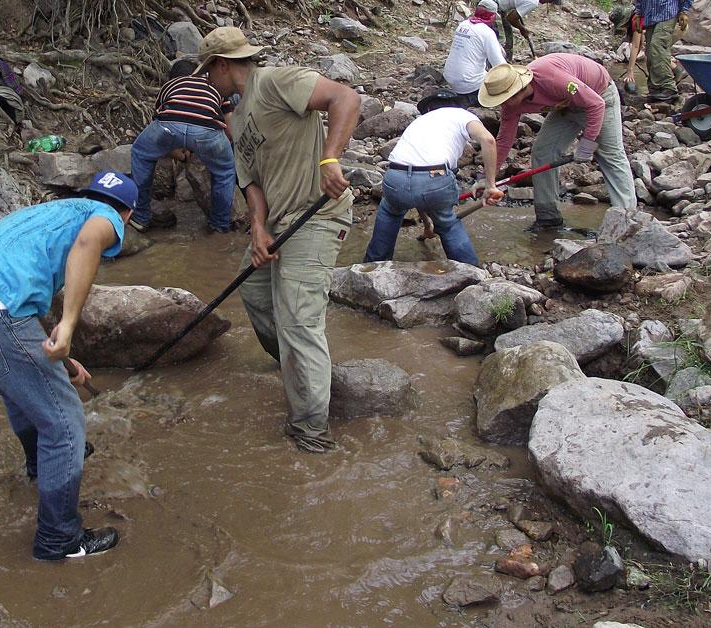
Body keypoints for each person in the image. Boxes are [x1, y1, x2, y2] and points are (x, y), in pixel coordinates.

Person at [0, 170, 137, 561]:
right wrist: (68, 324)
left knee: (24, 395)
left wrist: (63, 359)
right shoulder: (106, 218)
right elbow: (87, 244)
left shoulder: (54, 211)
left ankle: (39, 466)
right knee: (65, 424)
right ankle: (59, 540)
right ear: (127, 214)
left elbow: (21, 294)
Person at [196, 26, 359, 454]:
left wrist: (330, 158)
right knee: (253, 290)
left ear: (223, 64)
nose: (206, 79)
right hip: (280, 222)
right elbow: (252, 184)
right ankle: (296, 368)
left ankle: (311, 432)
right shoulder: (235, 117)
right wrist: (257, 229)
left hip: (317, 215)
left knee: (297, 318)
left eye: (207, 70)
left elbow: (345, 98)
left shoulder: (275, 81)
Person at [479, 54, 637, 233]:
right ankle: (548, 217)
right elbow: (504, 141)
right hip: (564, 105)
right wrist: (487, 178)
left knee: (610, 156)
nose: (503, 105)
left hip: (599, 95)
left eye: (505, 99)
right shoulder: (510, 105)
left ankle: (628, 220)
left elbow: (596, 104)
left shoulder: (551, 78)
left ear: (518, 89)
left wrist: (587, 143)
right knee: (542, 152)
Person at [363, 107, 505, 265]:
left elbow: (415, 189)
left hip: (396, 176)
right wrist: (490, 185)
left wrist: (428, 223)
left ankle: (371, 266)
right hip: (434, 179)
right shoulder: (467, 117)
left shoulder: (425, 120)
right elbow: (489, 140)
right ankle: (471, 275)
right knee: (448, 224)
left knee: (389, 212)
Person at [129, 57, 236, 233]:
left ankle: (140, 217)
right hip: (208, 130)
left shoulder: (169, 86)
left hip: (169, 126)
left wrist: (177, 153)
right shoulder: (214, 84)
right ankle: (219, 227)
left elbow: (160, 124)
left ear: (172, 77)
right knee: (224, 172)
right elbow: (229, 126)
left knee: (141, 153)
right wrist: (225, 149)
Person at [482, 0, 564, 60]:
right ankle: (495, 69)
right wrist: (522, 29)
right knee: (501, 41)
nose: (548, 2)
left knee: (507, 36)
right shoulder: (533, 0)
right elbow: (511, 18)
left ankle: (507, 62)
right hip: (489, 0)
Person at [440, 0, 506, 103]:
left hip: (449, 78)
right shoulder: (487, 33)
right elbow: (499, 65)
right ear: (492, 16)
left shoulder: (463, 24)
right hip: (468, 84)